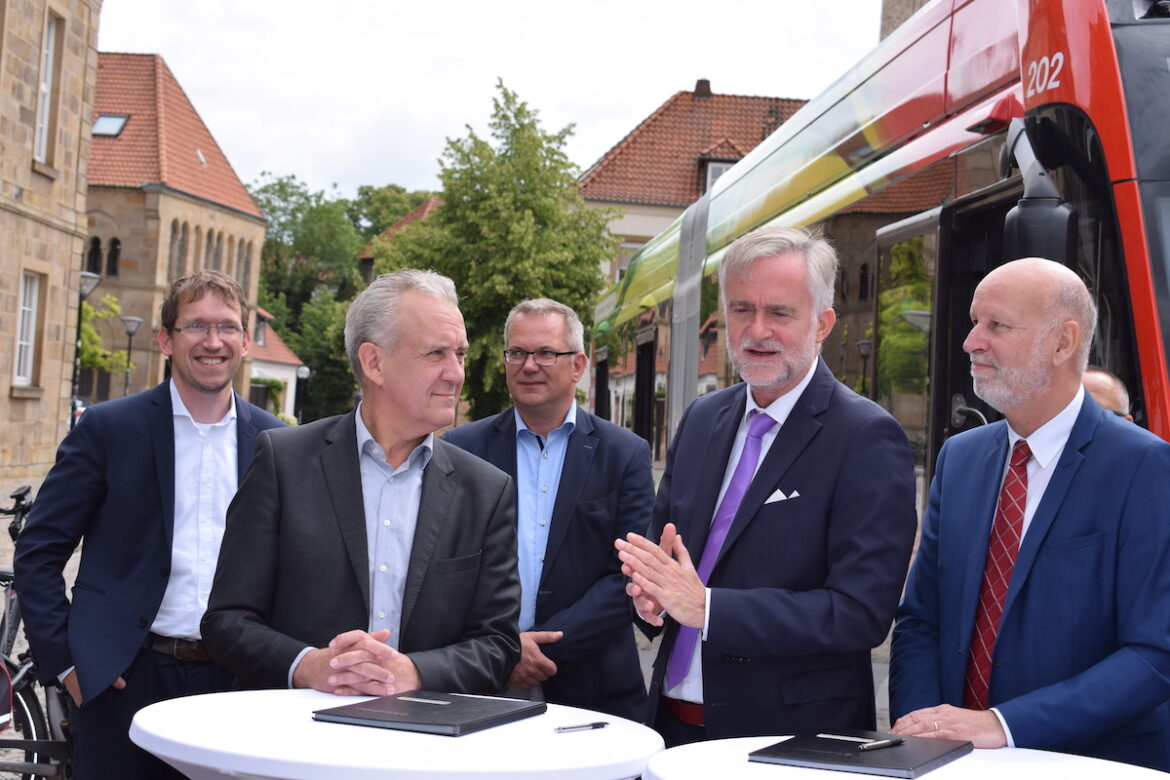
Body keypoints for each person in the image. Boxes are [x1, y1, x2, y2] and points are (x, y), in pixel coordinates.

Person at [615, 226, 917, 746]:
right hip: (669, 726)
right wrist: (651, 600)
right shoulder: (702, 418)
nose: (757, 330)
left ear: (822, 324)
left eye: (779, 312)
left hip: (789, 740)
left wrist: (708, 608)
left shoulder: (866, 436)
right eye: (741, 309)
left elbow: (860, 614)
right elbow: (664, 558)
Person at [889, 258, 1170, 771]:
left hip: (1087, 764)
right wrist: (924, 732)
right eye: (974, 322)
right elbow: (921, 620)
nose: (970, 342)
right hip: (951, 763)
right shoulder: (960, 458)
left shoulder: (1144, 466)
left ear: (1063, 343)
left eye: (996, 325)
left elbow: (1154, 654)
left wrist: (1004, 725)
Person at [14, 270, 284, 780]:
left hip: (237, 685)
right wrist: (68, 663)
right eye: (195, 326)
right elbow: (38, 552)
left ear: (246, 341)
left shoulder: (277, 442)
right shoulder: (109, 429)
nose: (213, 341)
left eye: (227, 326)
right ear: (165, 340)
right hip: (126, 679)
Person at [201, 269, 520, 697]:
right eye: (436, 354)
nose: (456, 373)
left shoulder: (486, 490)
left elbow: (498, 645)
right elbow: (226, 620)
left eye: (459, 354)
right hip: (296, 729)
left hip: (424, 733)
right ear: (374, 362)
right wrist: (307, 666)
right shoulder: (284, 462)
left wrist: (414, 673)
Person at [444, 299, 654, 718]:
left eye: (545, 353)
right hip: (484, 678)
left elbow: (629, 574)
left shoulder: (624, 454)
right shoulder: (461, 449)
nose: (528, 366)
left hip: (593, 684)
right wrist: (506, 650)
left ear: (578, 365)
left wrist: (543, 647)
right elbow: (449, 566)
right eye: (517, 353)